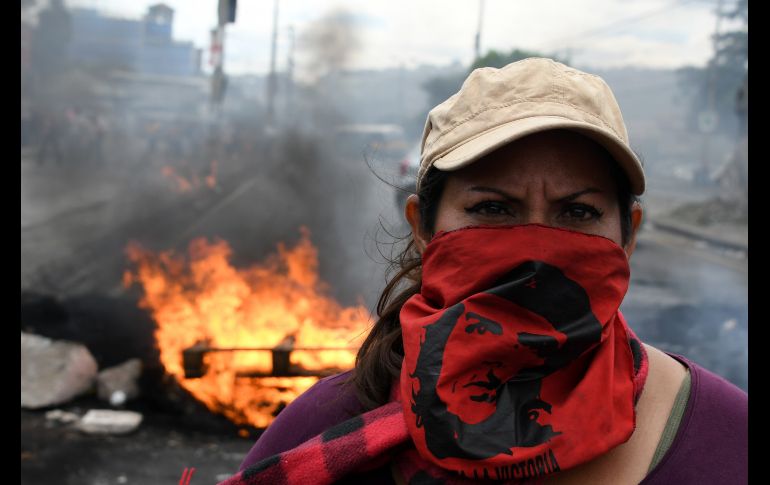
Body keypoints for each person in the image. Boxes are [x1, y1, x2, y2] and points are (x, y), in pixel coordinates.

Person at [221, 58, 747, 484]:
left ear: (627, 235)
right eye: (493, 209)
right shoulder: (324, 432)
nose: (535, 251)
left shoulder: (726, 437)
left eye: (578, 212)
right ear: (423, 229)